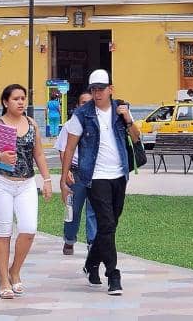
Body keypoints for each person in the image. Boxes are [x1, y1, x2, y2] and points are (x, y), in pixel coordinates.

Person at [60, 69, 140, 296]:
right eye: (93, 89)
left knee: (110, 224)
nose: (97, 93)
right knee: (106, 225)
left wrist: (127, 118)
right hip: (95, 177)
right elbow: (70, 147)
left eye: (101, 89)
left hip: (119, 175)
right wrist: (64, 177)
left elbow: (136, 137)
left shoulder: (120, 110)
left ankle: (91, 263)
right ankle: (113, 275)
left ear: (110, 90)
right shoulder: (82, 114)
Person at [0, 83, 52, 299]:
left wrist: (46, 180)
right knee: (3, 230)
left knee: (29, 228)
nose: (20, 102)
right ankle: (3, 279)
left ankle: (15, 270)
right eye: (16, 98)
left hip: (26, 183)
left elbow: (39, 154)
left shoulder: (32, 124)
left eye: (23, 98)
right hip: (0, 182)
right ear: (5, 102)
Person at [56, 90, 97, 256]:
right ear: (77, 106)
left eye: (90, 102)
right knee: (73, 208)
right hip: (76, 172)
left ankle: (92, 243)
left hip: (94, 173)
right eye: (83, 103)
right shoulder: (70, 125)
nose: (86, 106)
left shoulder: (98, 123)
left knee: (93, 211)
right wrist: (65, 173)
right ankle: (69, 238)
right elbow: (63, 149)